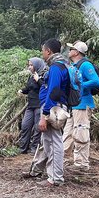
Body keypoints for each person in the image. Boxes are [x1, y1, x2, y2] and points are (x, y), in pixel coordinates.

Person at [26, 39, 69, 187]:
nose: (42, 54)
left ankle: (56, 178)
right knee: (47, 142)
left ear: (48, 51)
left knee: (54, 142)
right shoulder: (61, 65)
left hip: (53, 108)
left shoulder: (56, 67)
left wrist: (45, 115)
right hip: (54, 106)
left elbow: (54, 92)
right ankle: (41, 171)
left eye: (43, 51)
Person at [63, 41, 99, 171]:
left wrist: (80, 87)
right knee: (67, 133)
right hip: (73, 105)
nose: (69, 51)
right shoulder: (74, 65)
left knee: (81, 134)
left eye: (71, 49)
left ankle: (82, 164)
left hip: (83, 104)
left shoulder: (85, 65)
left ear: (77, 52)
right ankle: (62, 159)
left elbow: (96, 81)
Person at [17, 57, 46, 154]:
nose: (29, 67)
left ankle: (35, 149)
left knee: (37, 128)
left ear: (36, 65)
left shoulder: (43, 75)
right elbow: (29, 88)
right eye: (29, 65)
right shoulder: (31, 76)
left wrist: (38, 80)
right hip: (30, 106)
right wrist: (22, 90)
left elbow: (46, 87)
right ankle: (23, 148)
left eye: (31, 65)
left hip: (39, 105)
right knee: (25, 125)